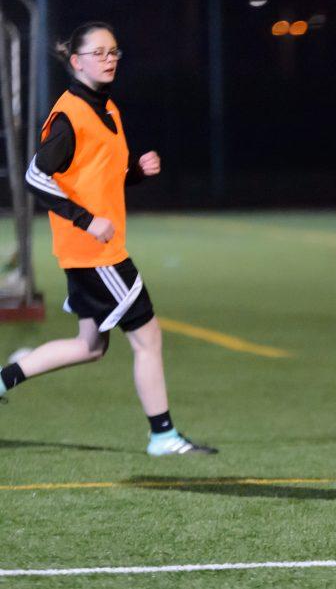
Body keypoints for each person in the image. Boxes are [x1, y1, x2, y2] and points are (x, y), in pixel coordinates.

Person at [0, 22, 216, 457]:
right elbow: (35, 176)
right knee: (147, 337)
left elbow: (96, 177)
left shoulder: (107, 108)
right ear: (76, 62)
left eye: (113, 51)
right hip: (95, 252)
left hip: (94, 249)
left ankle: (3, 379)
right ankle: (163, 435)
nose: (108, 58)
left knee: (90, 346)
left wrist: (136, 172)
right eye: (98, 53)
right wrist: (85, 220)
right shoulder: (70, 115)